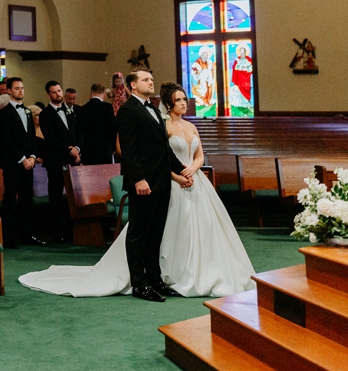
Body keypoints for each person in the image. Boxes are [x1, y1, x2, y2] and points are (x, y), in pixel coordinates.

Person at [20, 82, 254, 299]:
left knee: (196, 229)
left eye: (185, 99)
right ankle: (150, 278)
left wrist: (190, 170)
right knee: (155, 231)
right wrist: (176, 176)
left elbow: (197, 154)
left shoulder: (185, 124)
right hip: (168, 181)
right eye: (179, 99)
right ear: (169, 103)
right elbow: (141, 152)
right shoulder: (147, 117)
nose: (184, 103)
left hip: (190, 179)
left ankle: (180, 273)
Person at [120, 71, 188, 301]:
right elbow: (129, 149)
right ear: (133, 85)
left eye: (151, 78)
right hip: (144, 182)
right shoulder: (129, 109)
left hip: (161, 181)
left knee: (156, 233)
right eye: (146, 79)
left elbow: (163, 148)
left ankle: (155, 280)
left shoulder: (153, 109)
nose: (151, 81)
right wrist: (139, 179)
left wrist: (181, 169)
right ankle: (140, 284)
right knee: (139, 234)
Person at [0, 77, 44, 248]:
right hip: (12, 163)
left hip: (28, 162)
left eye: (22, 88)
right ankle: (8, 237)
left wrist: (32, 155)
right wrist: (22, 159)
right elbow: (6, 140)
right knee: (10, 199)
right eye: (17, 88)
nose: (20, 91)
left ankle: (27, 234)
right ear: (9, 91)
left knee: (26, 200)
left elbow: (31, 137)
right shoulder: (4, 113)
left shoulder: (27, 111)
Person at [40, 81, 83, 243]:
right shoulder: (46, 114)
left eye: (59, 91)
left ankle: (73, 233)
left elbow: (79, 132)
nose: (58, 94)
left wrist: (78, 148)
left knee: (74, 198)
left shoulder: (69, 111)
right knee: (56, 198)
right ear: (48, 95)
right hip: (56, 162)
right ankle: (56, 234)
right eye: (54, 92)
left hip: (73, 161)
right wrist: (68, 150)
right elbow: (51, 139)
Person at [77, 83, 117, 164]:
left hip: (87, 150)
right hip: (104, 149)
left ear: (91, 94)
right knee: (105, 175)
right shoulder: (107, 108)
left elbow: (79, 131)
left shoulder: (82, 109)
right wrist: (113, 148)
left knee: (89, 175)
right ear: (104, 95)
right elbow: (113, 129)